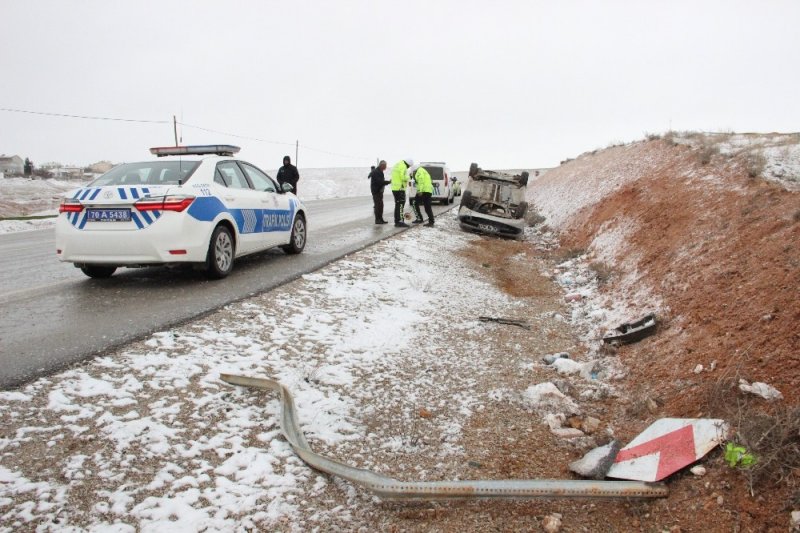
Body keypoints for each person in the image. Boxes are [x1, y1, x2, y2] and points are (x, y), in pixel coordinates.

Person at [390, 158, 413, 227]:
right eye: (409, 166)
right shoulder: (403, 166)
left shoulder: (397, 165)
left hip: (395, 188)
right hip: (400, 188)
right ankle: (399, 221)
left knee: (397, 205)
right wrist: (409, 177)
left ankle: (397, 221)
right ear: (408, 164)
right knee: (400, 205)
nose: (408, 167)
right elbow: (403, 177)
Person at [368, 160, 389, 224]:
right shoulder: (376, 172)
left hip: (379, 191)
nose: (386, 167)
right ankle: (377, 220)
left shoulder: (380, 171)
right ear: (382, 165)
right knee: (378, 206)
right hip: (376, 191)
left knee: (380, 205)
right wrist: (388, 182)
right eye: (385, 166)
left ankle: (380, 219)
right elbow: (379, 182)